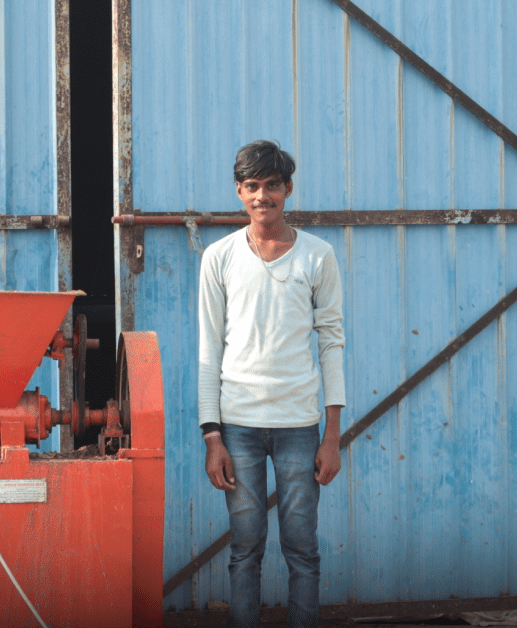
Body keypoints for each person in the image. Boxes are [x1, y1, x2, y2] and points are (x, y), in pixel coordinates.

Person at [197, 140, 345, 628]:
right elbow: (209, 351)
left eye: (273, 185)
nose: (264, 195)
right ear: (240, 192)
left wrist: (332, 434)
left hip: (300, 426)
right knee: (246, 548)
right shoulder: (218, 258)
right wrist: (212, 435)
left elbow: (331, 344)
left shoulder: (318, 257)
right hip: (237, 425)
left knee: (302, 548)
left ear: (288, 189)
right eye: (253, 186)